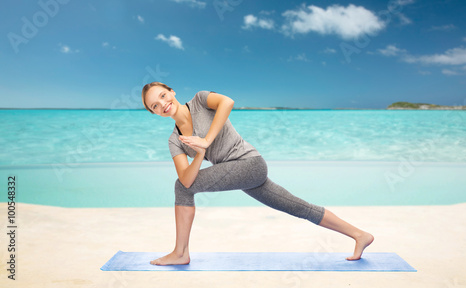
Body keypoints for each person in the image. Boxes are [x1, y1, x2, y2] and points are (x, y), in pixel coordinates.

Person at [141, 82, 374, 265]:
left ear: (172, 91)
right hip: (239, 173)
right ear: (155, 114)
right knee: (297, 206)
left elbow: (227, 102)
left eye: (162, 96)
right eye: (155, 106)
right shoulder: (175, 141)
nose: (162, 104)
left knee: (180, 188)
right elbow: (187, 178)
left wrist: (206, 140)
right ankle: (359, 235)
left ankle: (181, 252)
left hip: (250, 164)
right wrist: (200, 153)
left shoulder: (201, 100)